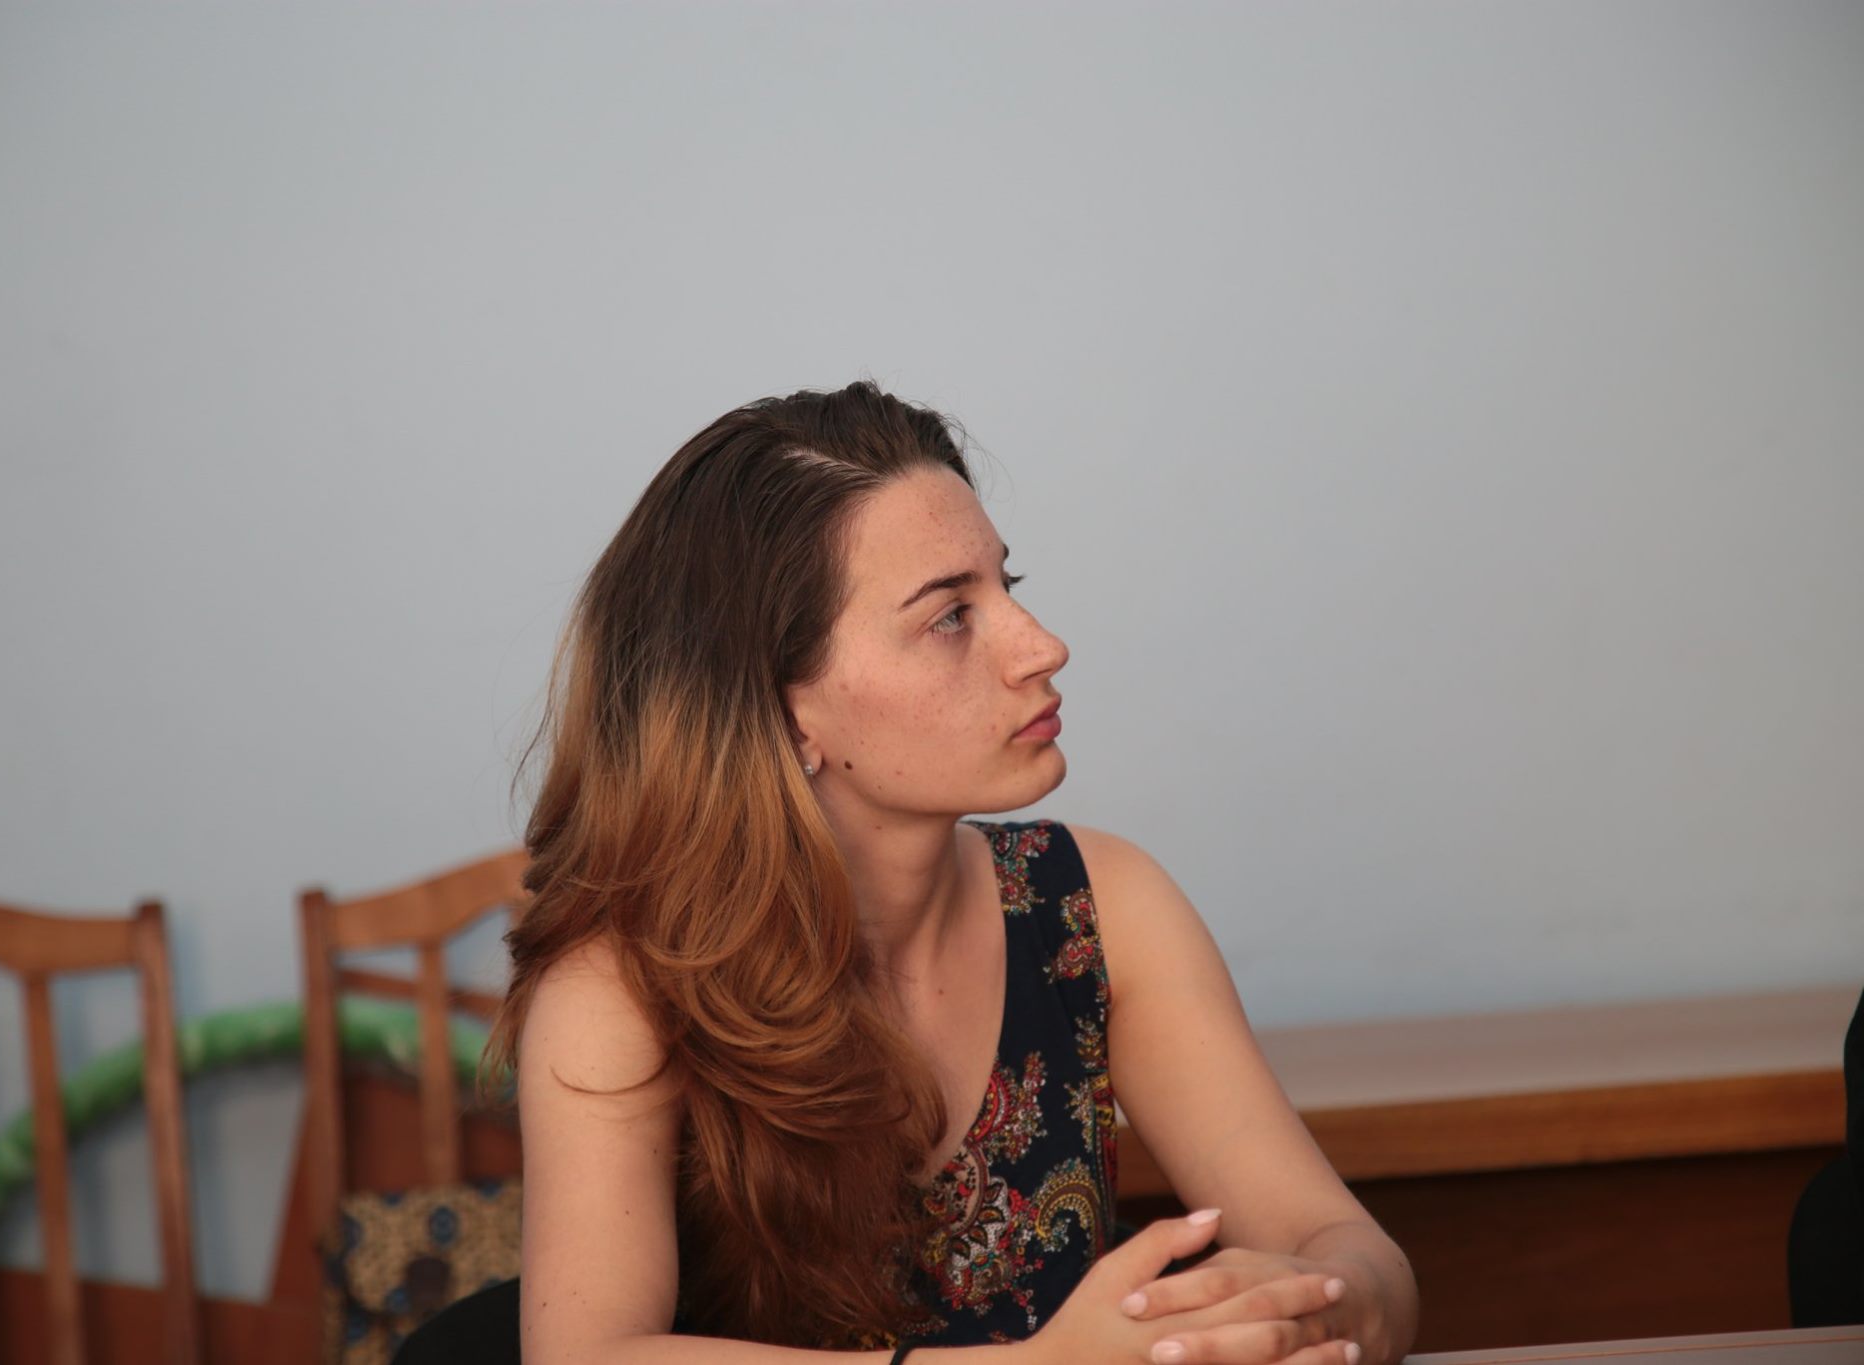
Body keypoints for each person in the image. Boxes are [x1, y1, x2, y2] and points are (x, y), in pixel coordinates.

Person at [441, 381, 1418, 1364]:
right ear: (781, 709)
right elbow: (586, 1356)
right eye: (951, 615)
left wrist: (1337, 1308)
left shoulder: (1100, 905)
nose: (1042, 646)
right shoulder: (619, 987)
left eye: (1007, 586)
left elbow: (1334, 1241)